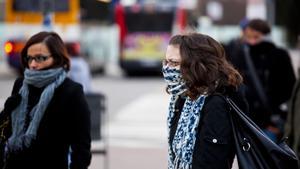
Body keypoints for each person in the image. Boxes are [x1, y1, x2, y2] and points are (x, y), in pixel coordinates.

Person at [0, 31, 91, 169]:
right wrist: (6, 112)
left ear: (57, 58)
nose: (33, 64)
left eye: (40, 58)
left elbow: (82, 148)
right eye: (29, 58)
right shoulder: (20, 84)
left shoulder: (71, 91)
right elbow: (6, 132)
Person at [162, 33, 248, 169]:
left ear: (196, 65)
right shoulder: (183, 97)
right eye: (166, 61)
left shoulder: (216, 104)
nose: (167, 68)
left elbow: (212, 162)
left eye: (174, 63)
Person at [225, 18, 296, 142]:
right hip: (246, 120)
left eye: (256, 37)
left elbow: (289, 89)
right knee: (249, 159)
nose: (252, 41)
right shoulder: (239, 55)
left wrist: (279, 117)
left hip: (271, 122)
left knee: (271, 158)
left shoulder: (279, 55)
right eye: (248, 36)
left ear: (266, 36)